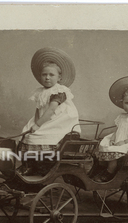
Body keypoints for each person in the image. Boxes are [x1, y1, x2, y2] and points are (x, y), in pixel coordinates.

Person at [17, 47, 81, 176]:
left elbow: (51, 110)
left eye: (51, 75)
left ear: (59, 77)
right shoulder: (40, 91)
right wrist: (34, 123)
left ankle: (41, 165)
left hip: (57, 122)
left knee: (39, 137)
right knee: (26, 134)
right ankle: (30, 165)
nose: (47, 78)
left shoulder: (59, 91)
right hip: (43, 119)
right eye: (44, 74)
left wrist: (38, 125)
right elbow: (38, 109)